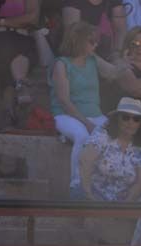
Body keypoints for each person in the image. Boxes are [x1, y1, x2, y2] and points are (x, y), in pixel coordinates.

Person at [51, 22, 123, 192]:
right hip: (66, 114)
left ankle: (108, 185)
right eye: (91, 41)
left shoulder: (92, 59)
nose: (95, 44)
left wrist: (123, 60)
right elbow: (64, 101)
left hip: (94, 113)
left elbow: (113, 73)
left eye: (96, 41)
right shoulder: (61, 64)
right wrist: (86, 123)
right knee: (82, 136)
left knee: (116, 136)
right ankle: (77, 184)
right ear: (78, 41)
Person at [0, 0, 44, 125]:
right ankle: (20, 85)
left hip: (21, 38)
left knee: (21, 51)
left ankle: (8, 105)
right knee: (1, 52)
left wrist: (2, 22)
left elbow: (32, 18)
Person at [77, 96, 141, 201]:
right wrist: (90, 196)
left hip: (123, 205)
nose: (131, 122)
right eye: (125, 117)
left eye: (136, 119)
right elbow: (84, 162)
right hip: (94, 199)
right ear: (117, 119)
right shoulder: (102, 136)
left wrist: (124, 207)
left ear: (140, 123)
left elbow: (140, 183)